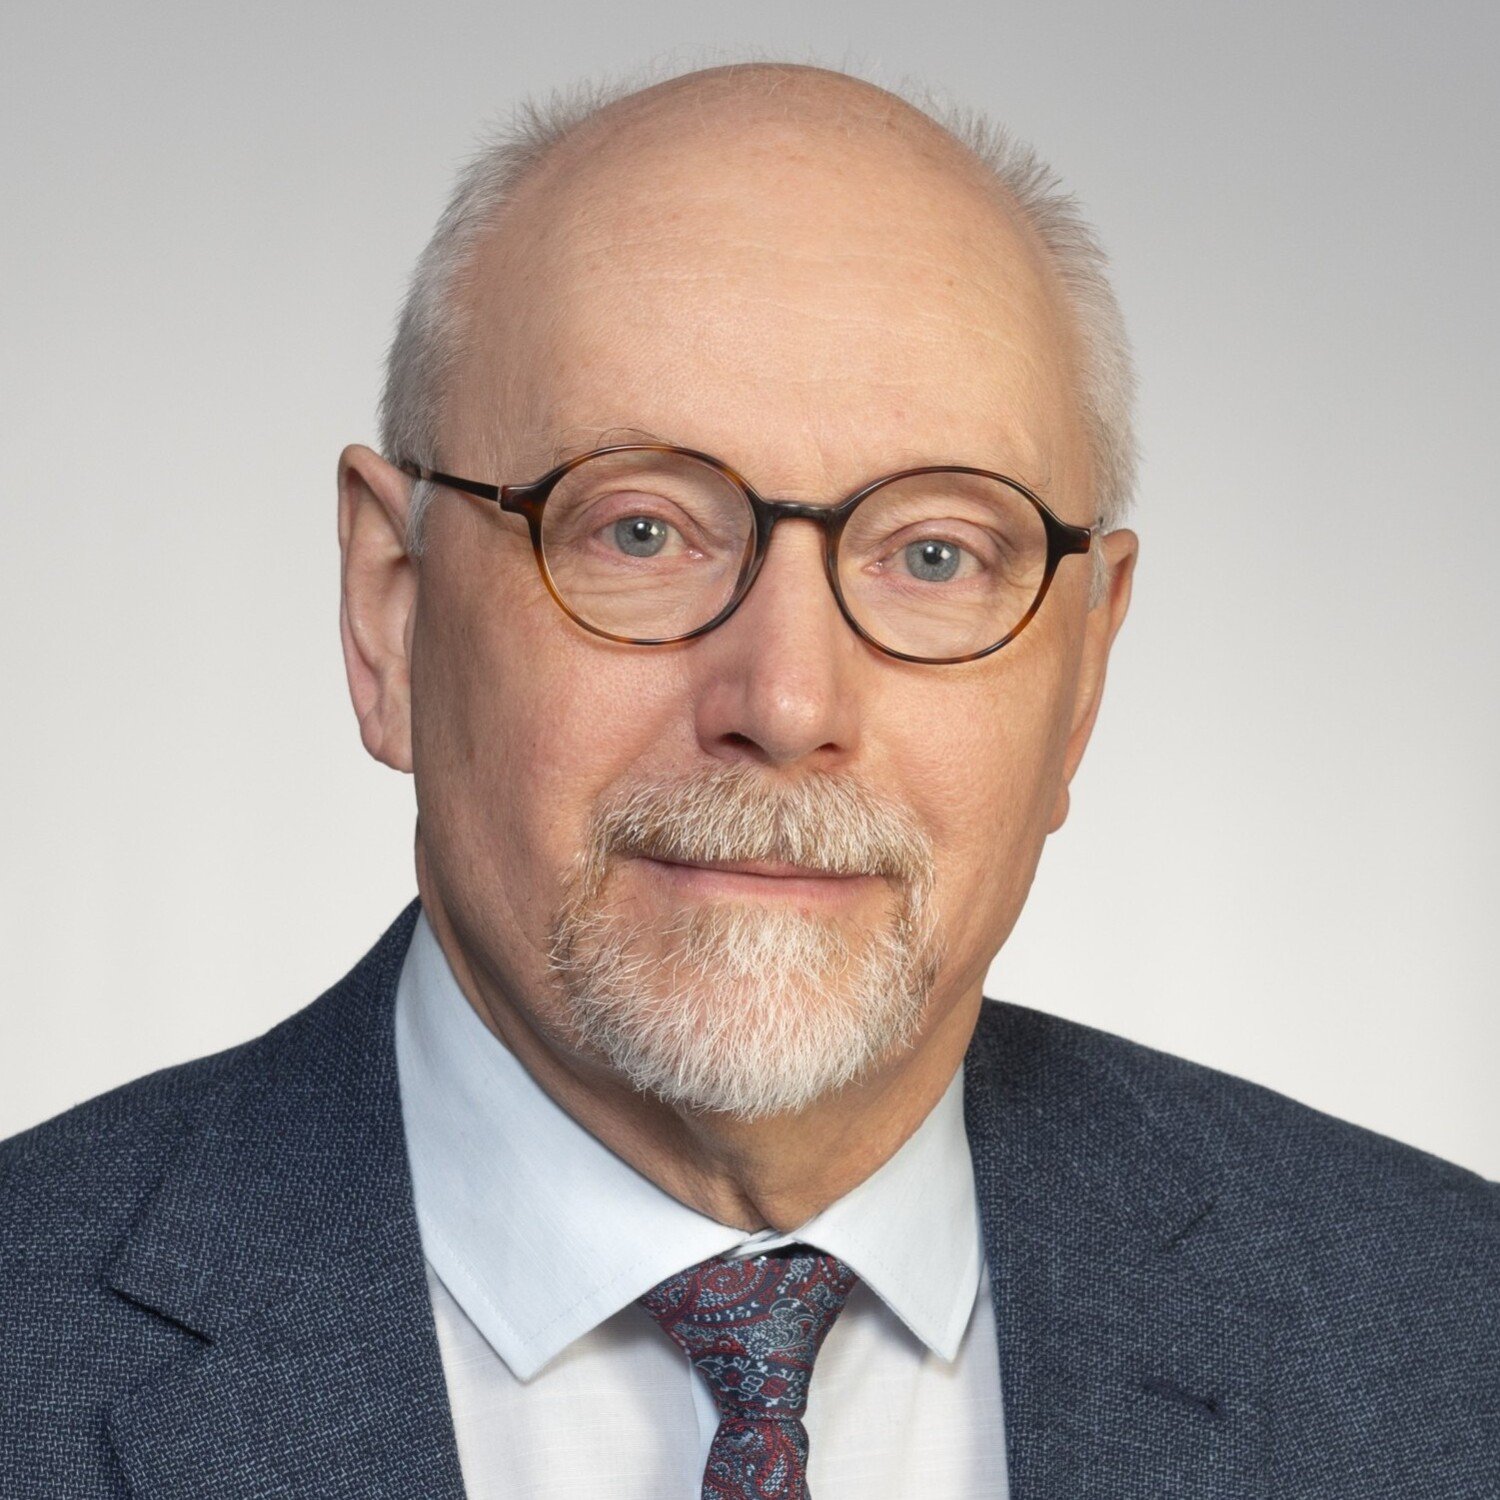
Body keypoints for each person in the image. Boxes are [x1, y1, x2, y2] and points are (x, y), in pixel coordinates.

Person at [1, 60, 1494, 1500]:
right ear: (393, 606)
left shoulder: (1446, 1347)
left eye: (934, 555)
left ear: (1085, 668)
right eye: (639, 530)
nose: (783, 702)